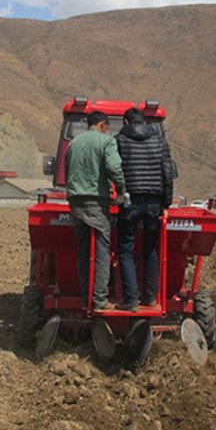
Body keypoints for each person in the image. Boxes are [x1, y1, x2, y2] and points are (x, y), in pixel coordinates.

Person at [65, 111, 127, 311]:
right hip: (96, 203)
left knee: (83, 251)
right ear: (102, 125)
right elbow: (114, 167)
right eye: (107, 127)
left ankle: (86, 299)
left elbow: (68, 170)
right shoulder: (106, 141)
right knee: (101, 250)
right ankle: (99, 300)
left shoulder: (74, 143)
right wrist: (121, 190)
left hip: (76, 202)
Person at [116, 107, 174, 309]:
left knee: (126, 249)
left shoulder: (119, 140)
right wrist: (166, 203)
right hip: (154, 202)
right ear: (145, 122)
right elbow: (167, 172)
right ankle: (150, 297)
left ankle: (131, 299)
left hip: (130, 200)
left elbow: (114, 169)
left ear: (125, 122)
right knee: (150, 249)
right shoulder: (159, 141)